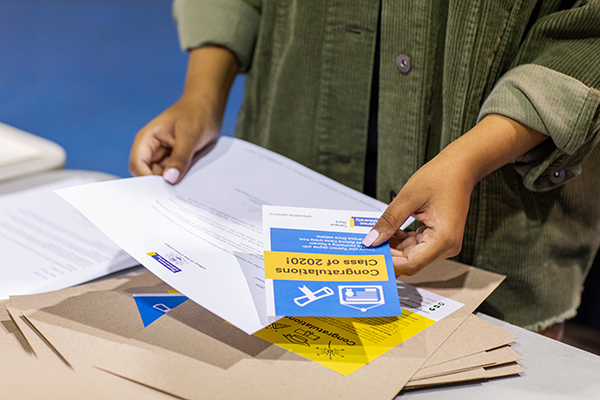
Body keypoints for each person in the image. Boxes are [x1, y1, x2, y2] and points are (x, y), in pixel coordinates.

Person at [129, 0, 600, 338]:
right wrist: (201, 97)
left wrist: (468, 160)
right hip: (283, 172)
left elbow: (585, 30)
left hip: (490, 215)